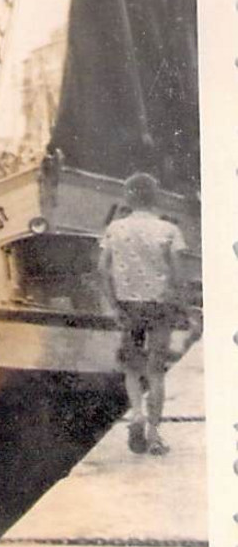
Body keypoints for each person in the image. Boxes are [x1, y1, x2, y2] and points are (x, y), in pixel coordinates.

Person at [98, 172, 188, 456]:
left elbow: (102, 269)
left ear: (127, 197)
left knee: (132, 366)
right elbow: (177, 274)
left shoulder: (114, 228)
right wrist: (181, 305)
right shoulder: (169, 230)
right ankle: (154, 433)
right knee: (157, 370)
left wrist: (113, 303)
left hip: (127, 304)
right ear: (156, 197)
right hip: (160, 305)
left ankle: (136, 413)